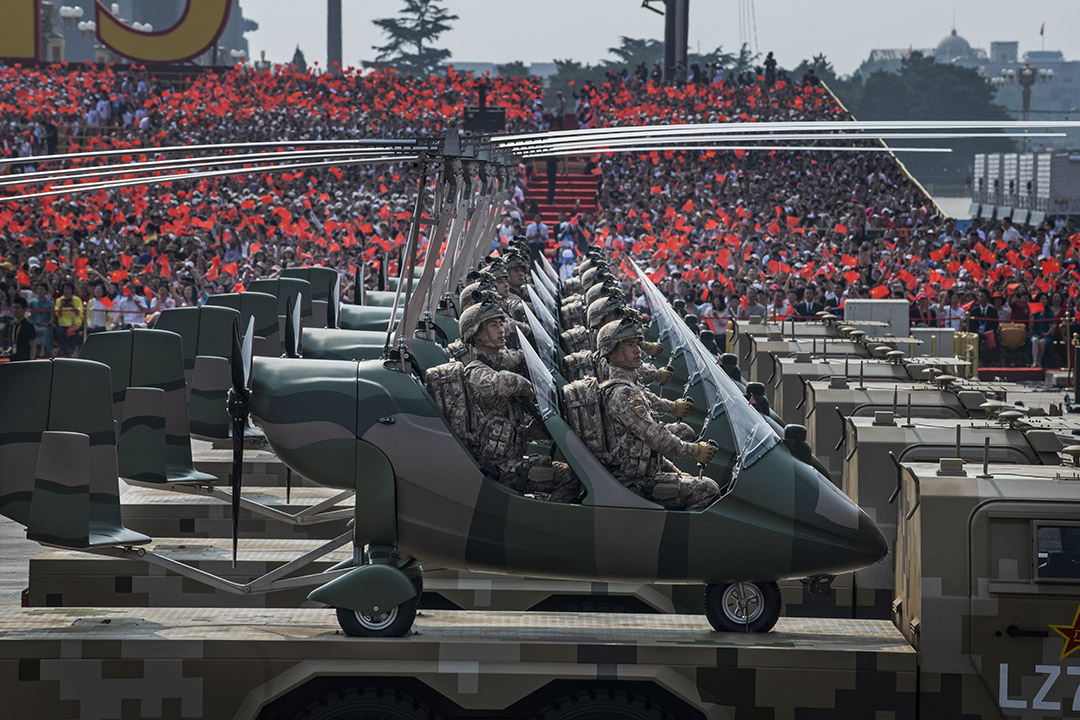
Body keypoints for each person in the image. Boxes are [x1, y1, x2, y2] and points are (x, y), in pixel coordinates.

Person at [458, 298, 580, 503]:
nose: (501, 329)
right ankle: (546, 527)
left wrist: (530, 430)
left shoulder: (496, 364)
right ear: (476, 334)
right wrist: (530, 388)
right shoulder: (475, 371)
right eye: (493, 325)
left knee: (567, 467)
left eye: (501, 323)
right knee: (569, 478)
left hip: (509, 461)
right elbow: (503, 382)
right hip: (498, 468)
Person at [596, 318, 720, 511]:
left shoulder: (629, 386)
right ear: (611, 352)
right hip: (634, 485)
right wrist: (694, 451)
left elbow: (643, 447)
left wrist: (673, 470)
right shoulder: (624, 394)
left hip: (640, 477)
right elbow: (656, 437)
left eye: (637, 344)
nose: (638, 350)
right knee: (706, 489)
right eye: (629, 345)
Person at [53, 281, 84, 357]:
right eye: (65, 288)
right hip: (63, 324)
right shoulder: (59, 300)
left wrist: (73, 306)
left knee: (75, 334)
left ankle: (69, 350)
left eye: (69, 288)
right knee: (59, 333)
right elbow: (58, 314)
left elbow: (79, 312)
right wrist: (61, 306)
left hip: (75, 324)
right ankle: (67, 350)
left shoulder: (77, 300)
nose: (67, 290)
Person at [6, 296, 36, 361]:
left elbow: (33, 346)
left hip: (25, 359)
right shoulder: (12, 325)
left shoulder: (28, 326)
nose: (15, 310)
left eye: (17, 308)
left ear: (24, 309)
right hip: (13, 358)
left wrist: (31, 361)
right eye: (13, 308)